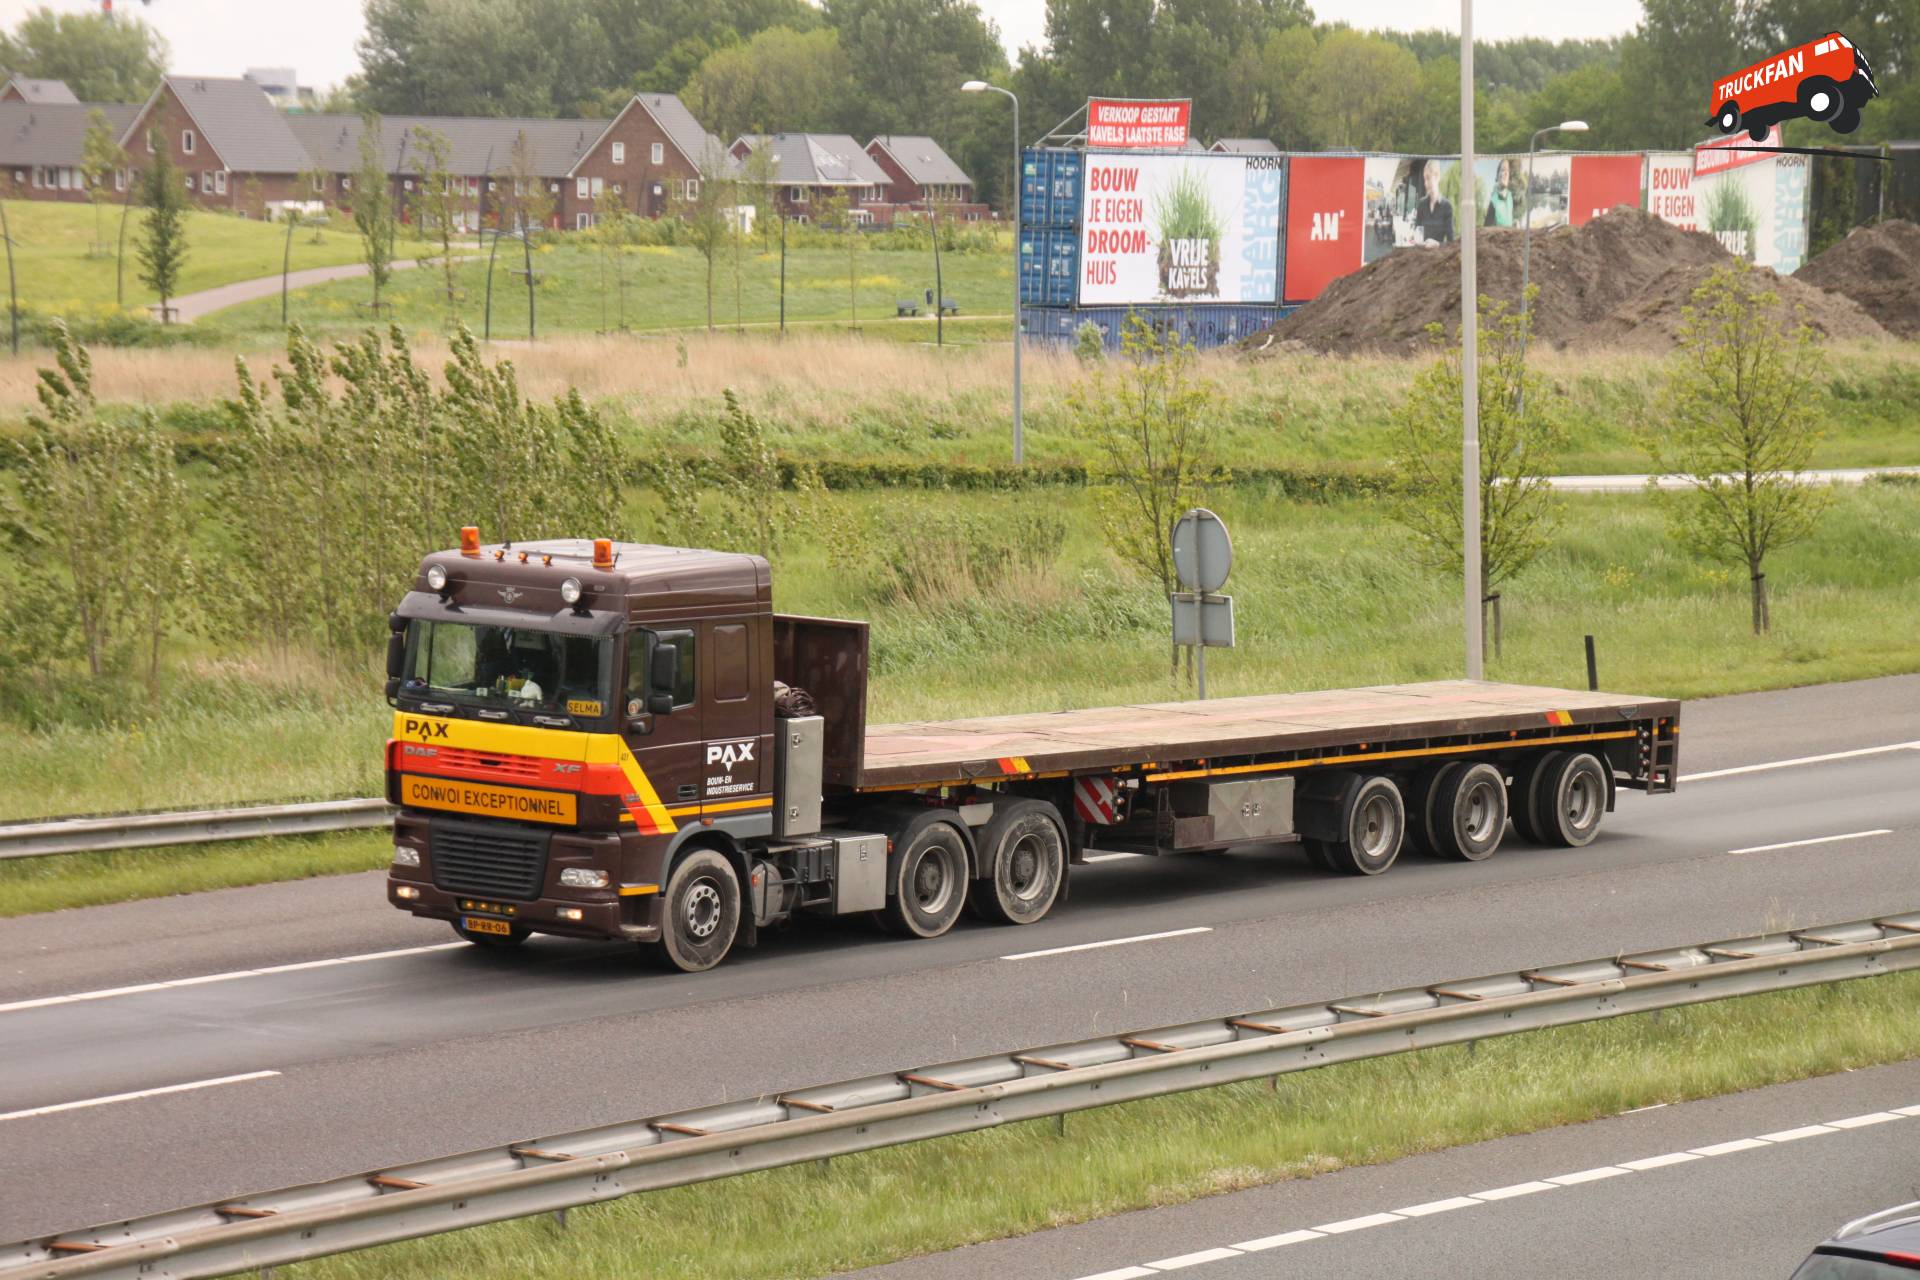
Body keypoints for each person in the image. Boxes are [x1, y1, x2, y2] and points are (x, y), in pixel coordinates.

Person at [1414, 160, 1454, 245]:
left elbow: (1451, 243)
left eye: (1428, 178)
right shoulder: (1421, 205)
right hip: (1422, 254)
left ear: (1437, 177)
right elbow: (1417, 235)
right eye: (1424, 179)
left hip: (1439, 256)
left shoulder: (1447, 206)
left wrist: (1437, 244)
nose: (1425, 183)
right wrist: (1416, 240)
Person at [1484, 158, 1516, 228]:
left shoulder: (1510, 197)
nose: (1506, 173)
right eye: (1503, 170)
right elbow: (1486, 230)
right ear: (1497, 176)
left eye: (1508, 171)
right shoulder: (1493, 202)